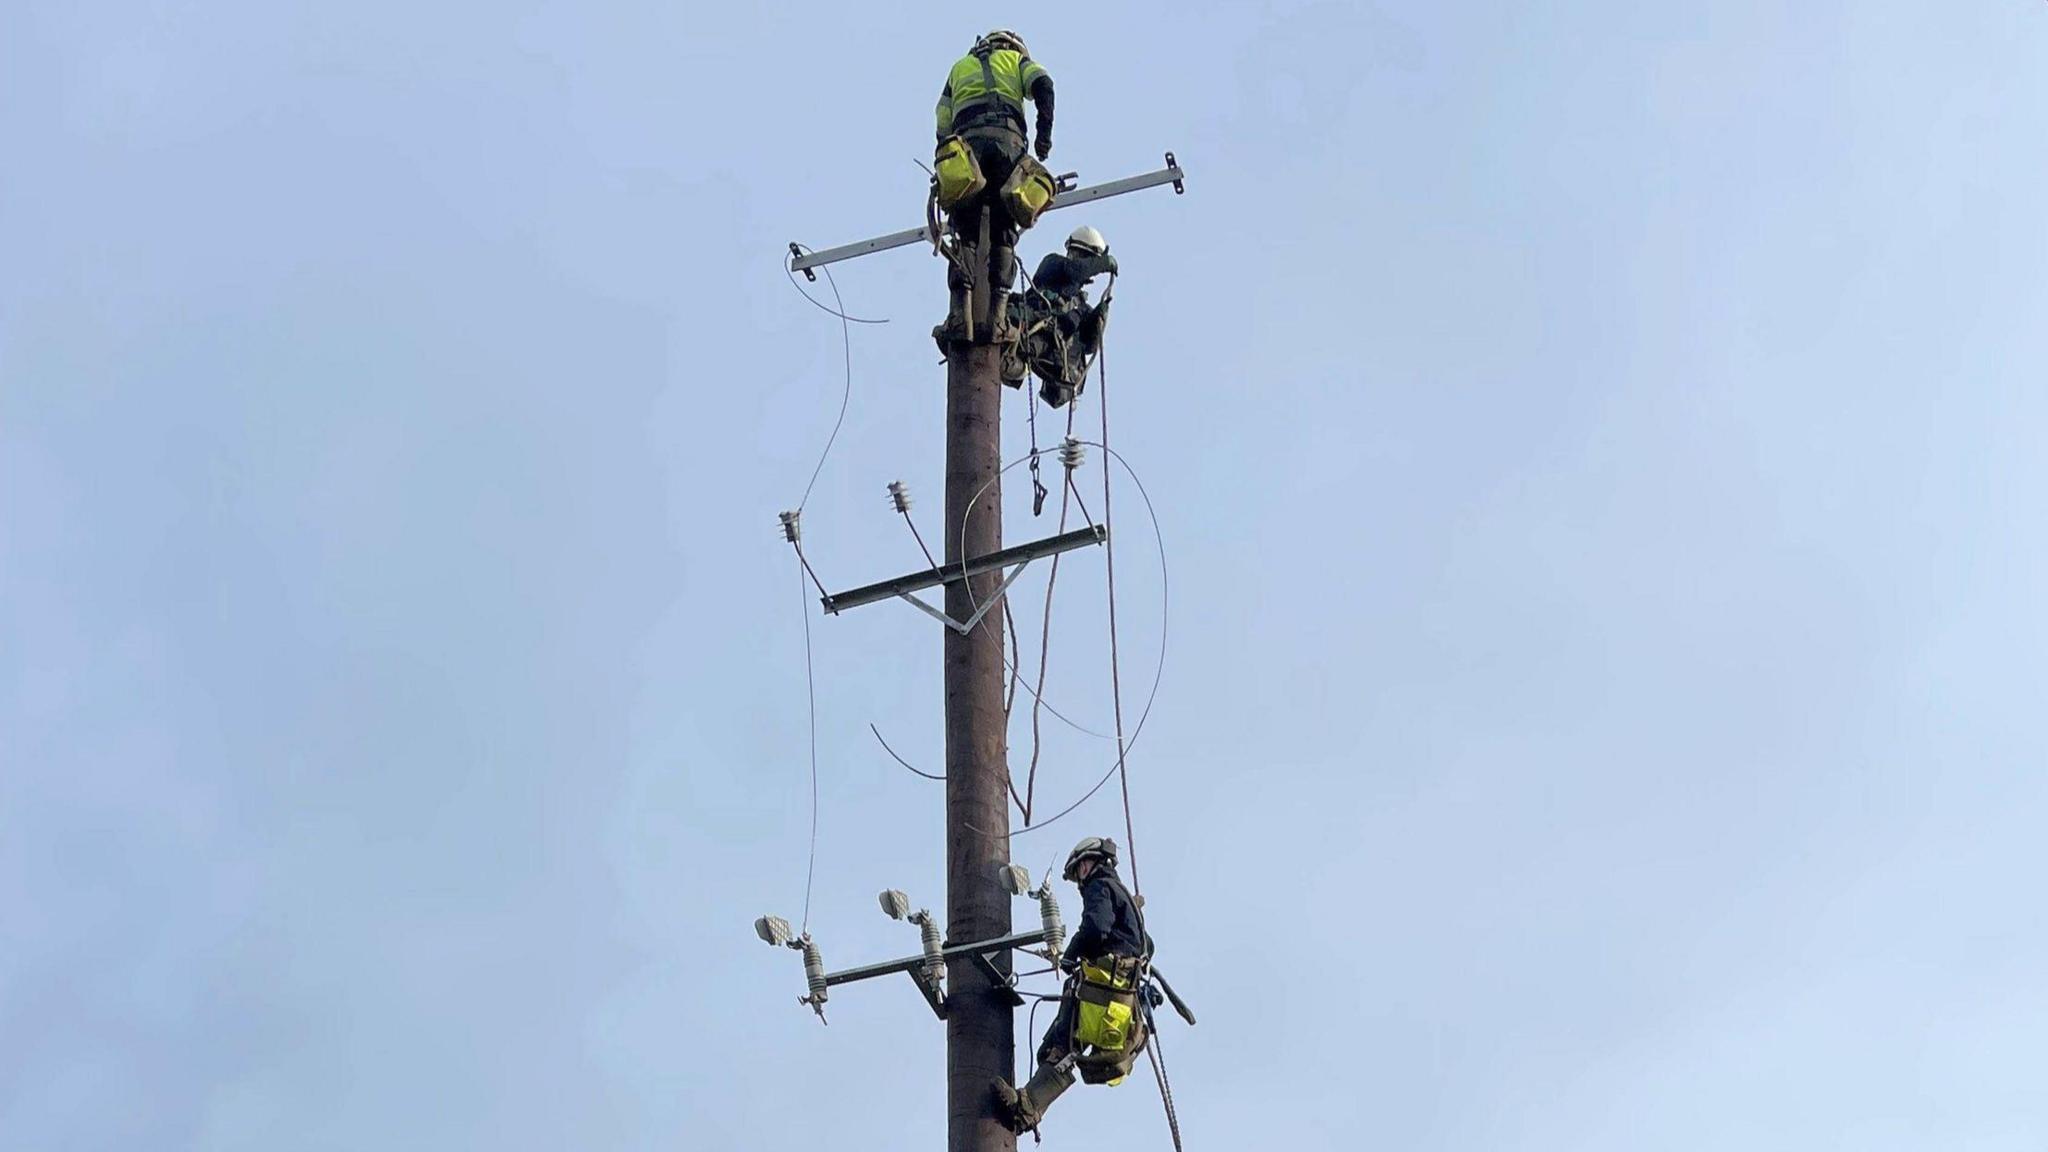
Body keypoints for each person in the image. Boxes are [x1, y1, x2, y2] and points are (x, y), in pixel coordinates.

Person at [995, 836, 1154, 1135]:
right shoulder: (1124, 899)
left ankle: (1026, 1109)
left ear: (1087, 863)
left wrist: (1071, 955)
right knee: (1065, 1046)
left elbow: (1095, 927)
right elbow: (1146, 946)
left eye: (1078, 871)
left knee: (1061, 1043)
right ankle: (1028, 1106)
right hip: (1118, 999)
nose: (1079, 881)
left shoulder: (1100, 886)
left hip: (1100, 990)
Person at [933, 29, 1055, 347]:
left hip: (967, 149)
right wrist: (1043, 136)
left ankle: (961, 319)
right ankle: (998, 321)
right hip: (1007, 143)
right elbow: (1044, 85)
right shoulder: (1016, 62)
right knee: (1003, 230)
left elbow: (943, 125)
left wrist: (950, 169)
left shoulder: (959, 67)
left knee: (966, 233)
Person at [1003, 225, 1118, 406]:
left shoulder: (1081, 307)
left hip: (1052, 352)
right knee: (1029, 347)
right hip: (1034, 328)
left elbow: (1088, 347)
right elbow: (1075, 270)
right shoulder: (1054, 263)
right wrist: (1104, 263)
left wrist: (1099, 318)